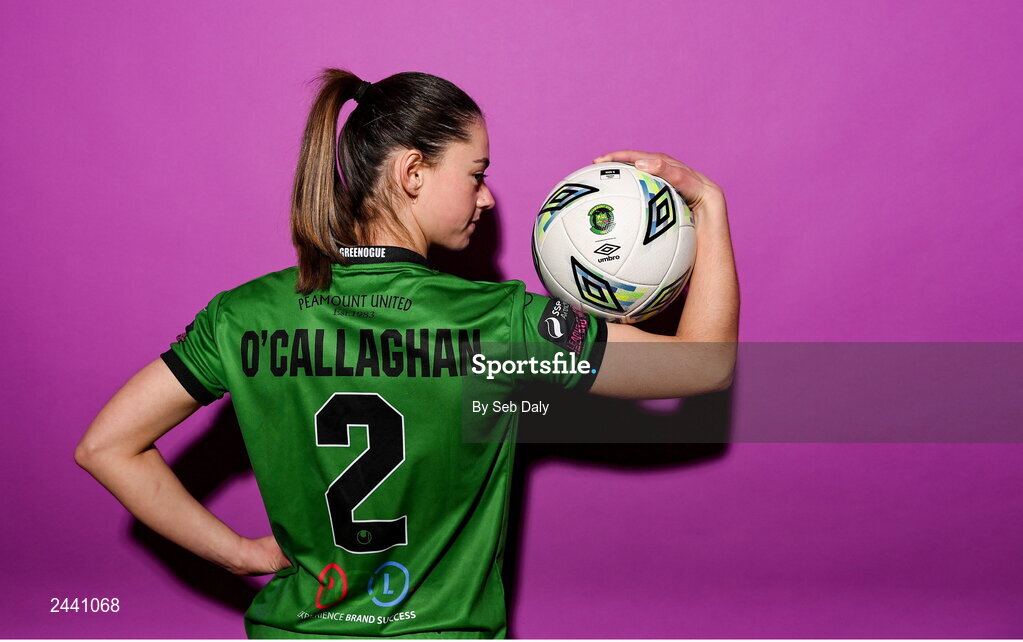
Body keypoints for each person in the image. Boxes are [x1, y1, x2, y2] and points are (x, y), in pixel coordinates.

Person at [75, 68, 738, 639]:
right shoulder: (500, 322)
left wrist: (237, 553)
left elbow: (106, 447)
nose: (487, 196)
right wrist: (707, 204)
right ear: (412, 172)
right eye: (476, 174)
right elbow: (700, 366)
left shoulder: (241, 315)